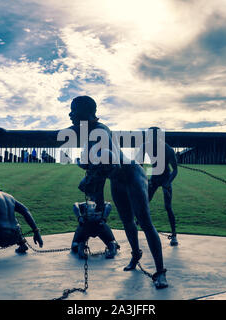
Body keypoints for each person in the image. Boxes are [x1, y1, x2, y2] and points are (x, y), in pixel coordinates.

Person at [67, 96, 168, 289]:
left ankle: (161, 272)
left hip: (131, 174)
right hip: (117, 180)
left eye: (74, 111)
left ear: (87, 113)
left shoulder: (99, 131)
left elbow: (111, 164)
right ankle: (135, 255)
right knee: (128, 222)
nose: (70, 114)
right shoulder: (88, 132)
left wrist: (91, 176)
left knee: (145, 223)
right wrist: (97, 199)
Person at [0, 181, 43, 255]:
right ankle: (22, 244)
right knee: (11, 218)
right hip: (15, 237)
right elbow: (25, 211)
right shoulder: (10, 197)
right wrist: (36, 231)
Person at [140, 127, 179, 246]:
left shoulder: (168, 149)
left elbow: (175, 170)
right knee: (145, 202)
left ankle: (174, 235)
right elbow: (139, 164)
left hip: (166, 178)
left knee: (168, 207)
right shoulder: (145, 146)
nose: (149, 138)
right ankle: (142, 223)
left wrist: (168, 182)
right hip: (154, 178)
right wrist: (144, 178)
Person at [71, 176, 119, 259]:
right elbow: (108, 205)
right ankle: (112, 246)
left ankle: (80, 245)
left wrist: (79, 217)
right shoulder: (95, 203)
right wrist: (104, 218)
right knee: (111, 241)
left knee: (75, 243)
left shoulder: (85, 204)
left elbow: (75, 205)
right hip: (98, 223)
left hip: (89, 224)